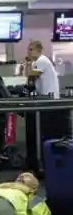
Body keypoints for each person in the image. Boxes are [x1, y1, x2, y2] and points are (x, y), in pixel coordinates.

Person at [25, 41, 67, 176]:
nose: (29, 52)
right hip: (47, 100)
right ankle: (41, 163)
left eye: (31, 49)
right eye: (28, 49)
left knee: (45, 133)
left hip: (49, 103)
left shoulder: (42, 61)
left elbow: (31, 78)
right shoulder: (38, 62)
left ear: (39, 50)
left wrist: (27, 67)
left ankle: (42, 165)